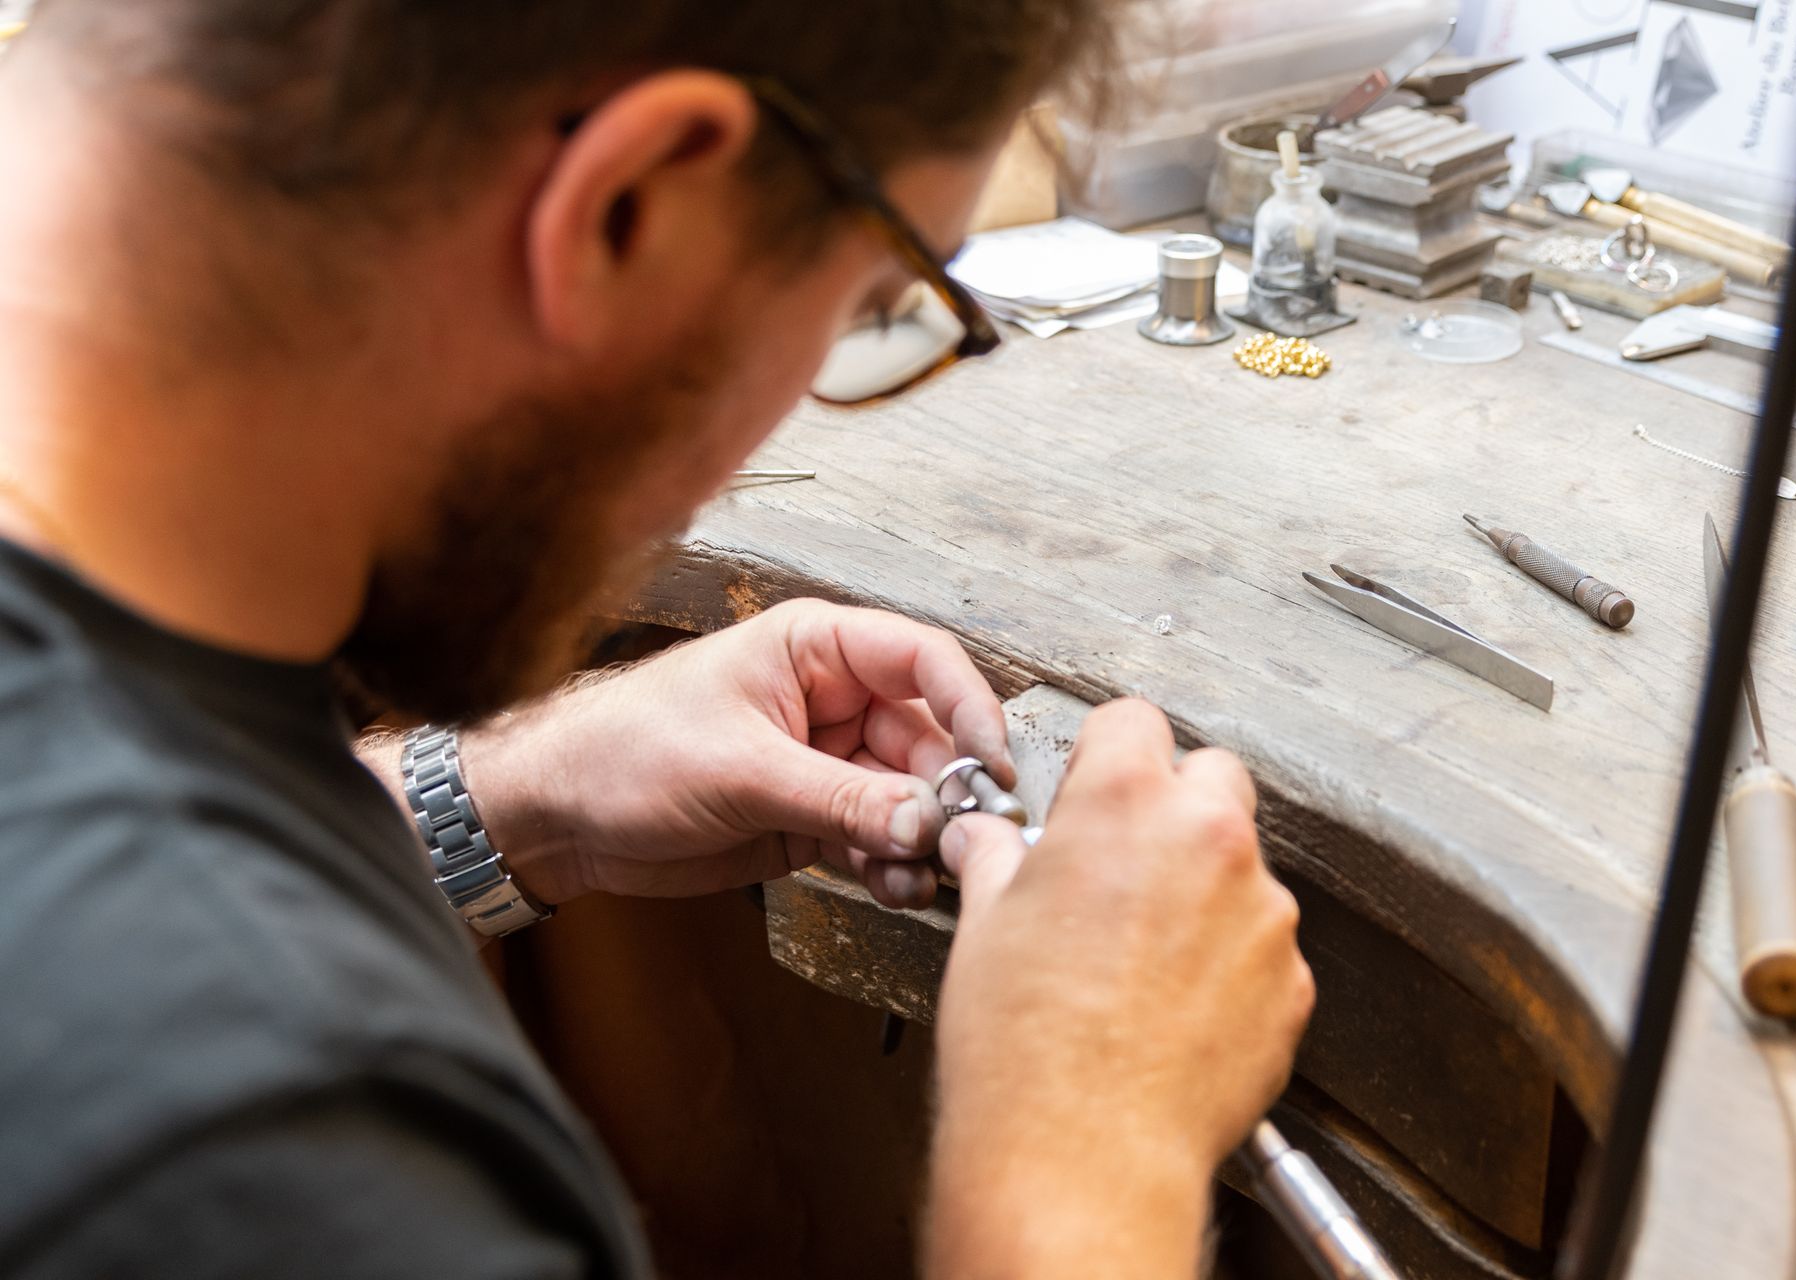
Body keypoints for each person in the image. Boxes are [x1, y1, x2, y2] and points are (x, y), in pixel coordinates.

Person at [0, 2, 1315, 1276]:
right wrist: (1084, 1155)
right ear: (634, 206)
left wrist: (501, 801)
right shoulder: (272, 1141)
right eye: (867, 306)